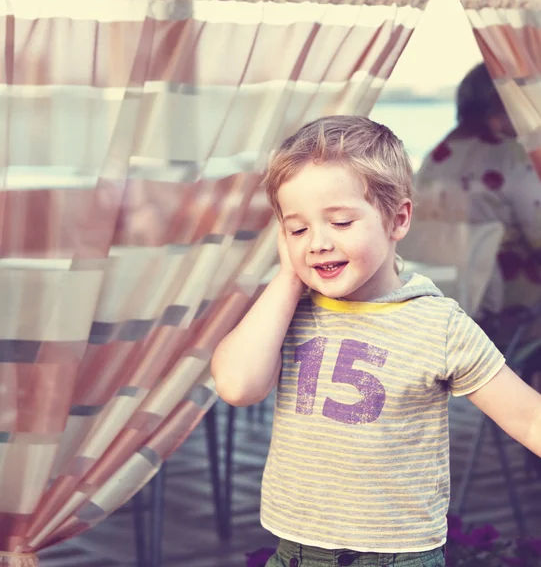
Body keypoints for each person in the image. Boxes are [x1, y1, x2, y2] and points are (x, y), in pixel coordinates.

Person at [211, 115, 541, 567]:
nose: (318, 243)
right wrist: (289, 277)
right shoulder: (290, 311)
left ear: (397, 219)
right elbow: (236, 385)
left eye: (341, 222)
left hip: (396, 556)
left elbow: (526, 418)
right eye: (298, 229)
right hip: (297, 552)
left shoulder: (436, 322)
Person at [416, 63, 541, 343]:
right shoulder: (512, 156)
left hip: (447, 287)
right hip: (500, 292)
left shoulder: (438, 153)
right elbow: (537, 233)